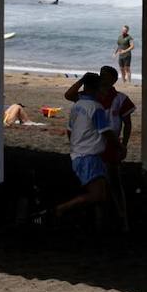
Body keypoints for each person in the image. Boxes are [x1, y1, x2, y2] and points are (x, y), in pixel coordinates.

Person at [55, 71, 118, 221]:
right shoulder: (95, 107)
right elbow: (106, 132)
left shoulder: (79, 104)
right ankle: (62, 209)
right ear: (97, 88)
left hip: (82, 153)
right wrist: (119, 145)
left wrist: (76, 146)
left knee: (102, 194)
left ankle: (98, 225)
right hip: (88, 156)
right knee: (97, 195)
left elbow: (70, 130)